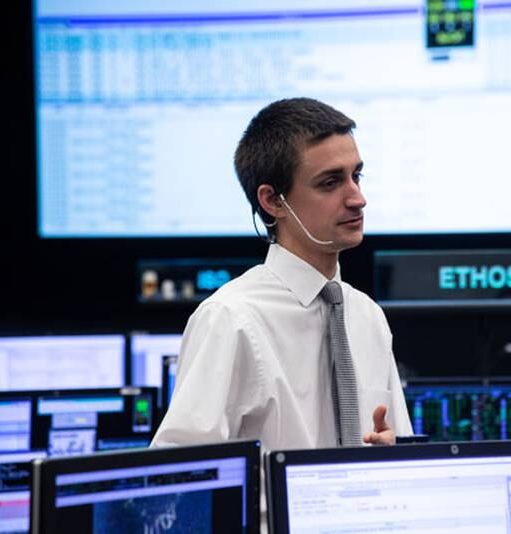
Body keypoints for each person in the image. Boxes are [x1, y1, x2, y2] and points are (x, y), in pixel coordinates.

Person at [152, 97, 412, 455]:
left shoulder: (367, 315)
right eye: (330, 182)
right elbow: (184, 477)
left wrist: (388, 453)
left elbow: (400, 446)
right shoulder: (231, 319)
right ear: (273, 201)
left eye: (357, 175)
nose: (357, 198)